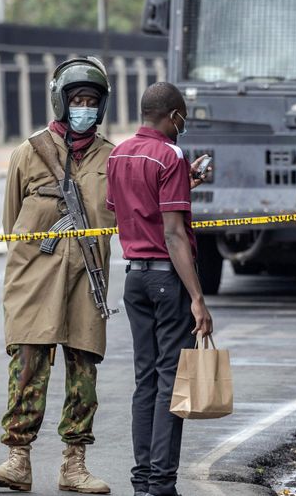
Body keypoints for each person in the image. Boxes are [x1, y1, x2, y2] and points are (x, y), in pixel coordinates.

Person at [0, 57, 115, 494]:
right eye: (77, 100)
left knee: (83, 373)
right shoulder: (29, 153)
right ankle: (18, 459)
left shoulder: (111, 158)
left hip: (86, 283)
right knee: (27, 368)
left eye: (91, 102)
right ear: (61, 101)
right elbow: (9, 222)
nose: (84, 108)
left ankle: (74, 465)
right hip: (34, 281)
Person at [106, 82, 213, 496]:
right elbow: (172, 234)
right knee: (171, 379)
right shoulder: (170, 154)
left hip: (134, 278)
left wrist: (188, 185)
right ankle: (162, 483)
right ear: (173, 116)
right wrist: (198, 299)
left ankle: (142, 481)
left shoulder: (118, 154)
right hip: (167, 278)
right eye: (181, 117)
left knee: (145, 380)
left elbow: (131, 209)